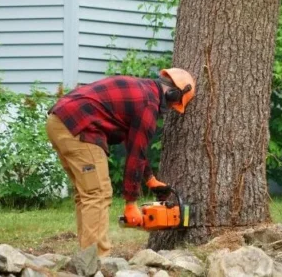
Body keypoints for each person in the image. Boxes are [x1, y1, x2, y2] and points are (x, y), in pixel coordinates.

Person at [45, 68, 196, 256]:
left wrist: (149, 179)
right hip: (80, 127)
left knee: (87, 194)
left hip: (59, 121)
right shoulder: (148, 105)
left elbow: (134, 144)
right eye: (175, 102)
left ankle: (86, 256)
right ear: (173, 93)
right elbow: (135, 155)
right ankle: (96, 260)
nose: (172, 107)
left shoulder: (142, 90)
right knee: (97, 193)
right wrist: (131, 203)